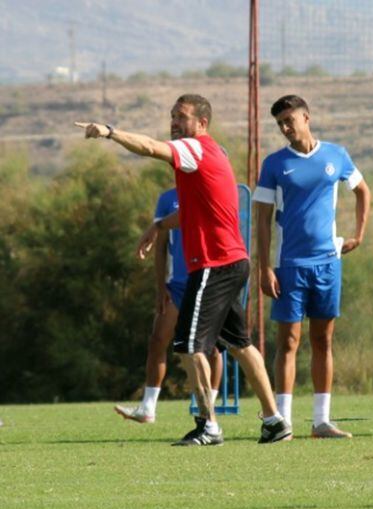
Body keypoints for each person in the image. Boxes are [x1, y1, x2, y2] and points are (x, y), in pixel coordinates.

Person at [76, 93, 291, 446]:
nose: (174, 122)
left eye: (182, 116)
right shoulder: (213, 152)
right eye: (173, 116)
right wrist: (160, 226)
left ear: (201, 123)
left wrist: (110, 132)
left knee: (189, 346)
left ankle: (209, 427)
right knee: (241, 345)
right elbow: (198, 209)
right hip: (232, 262)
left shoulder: (194, 149)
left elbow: (149, 147)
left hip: (214, 265)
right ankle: (274, 421)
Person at [254, 94, 370, 439]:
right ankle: (283, 421)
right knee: (289, 341)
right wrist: (264, 267)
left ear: (306, 118)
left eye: (289, 121)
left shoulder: (336, 155)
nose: (285, 128)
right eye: (280, 124)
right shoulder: (274, 164)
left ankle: (321, 421)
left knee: (323, 340)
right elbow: (262, 219)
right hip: (289, 264)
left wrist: (359, 235)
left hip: (328, 263)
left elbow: (362, 191)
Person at [114, 188, 223, 424]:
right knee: (158, 339)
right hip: (177, 285)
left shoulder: (211, 191)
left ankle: (208, 409)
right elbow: (161, 244)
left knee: (212, 348)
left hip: (208, 281)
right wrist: (160, 286)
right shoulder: (167, 198)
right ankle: (147, 408)